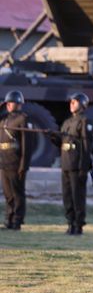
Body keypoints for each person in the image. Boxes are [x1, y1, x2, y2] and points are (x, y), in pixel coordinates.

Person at [50, 93, 93, 235]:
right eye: (71, 102)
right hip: (66, 164)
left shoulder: (84, 121)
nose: (71, 104)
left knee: (77, 197)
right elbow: (62, 143)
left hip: (76, 165)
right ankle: (70, 223)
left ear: (82, 104)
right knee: (67, 196)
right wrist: (52, 136)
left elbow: (86, 147)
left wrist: (83, 167)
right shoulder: (67, 122)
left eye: (75, 102)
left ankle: (78, 225)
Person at [0, 90, 33, 230]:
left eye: (11, 102)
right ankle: (9, 218)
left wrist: (23, 165)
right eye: (7, 103)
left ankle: (17, 220)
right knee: (8, 194)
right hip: (4, 161)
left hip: (16, 161)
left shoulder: (23, 119)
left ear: (19, 104)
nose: (8, 105)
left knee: (17, 193)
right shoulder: (4, 119)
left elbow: (27, 144)